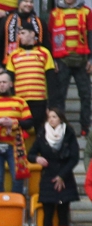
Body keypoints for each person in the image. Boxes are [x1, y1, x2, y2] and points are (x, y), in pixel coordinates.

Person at [27, 107, 80, 226]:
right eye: (49, 117)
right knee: (48, 213)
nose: (51, 119)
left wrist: (62, 176)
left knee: (63, 213)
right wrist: (37, 158)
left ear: (60, 119)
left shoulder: (69, 133)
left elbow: (74, 158)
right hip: (48, 177)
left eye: (54, 117)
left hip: (65, 177)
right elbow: (30, 154)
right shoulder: (42, 133)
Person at [48, 0, 92, 136]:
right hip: (62, 61)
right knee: (59, 96)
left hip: (82, 60)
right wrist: (53, 59)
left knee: (86, 95)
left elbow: (91, 36)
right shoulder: (54, 13)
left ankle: (85, 126)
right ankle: (60, 126)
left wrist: (91, 59)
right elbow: (50, 38)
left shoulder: (87, 12)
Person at [5, 25, 55, 128]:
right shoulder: (13, 55)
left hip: (39, 100)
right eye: (19, 34)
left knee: (39, 129)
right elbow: (10, 80)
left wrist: (51, 104)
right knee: (20, 129)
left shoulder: (44, 53)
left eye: (23, 33)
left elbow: (51, 80)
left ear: (32, 34)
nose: (20, 36)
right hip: (20, 100)